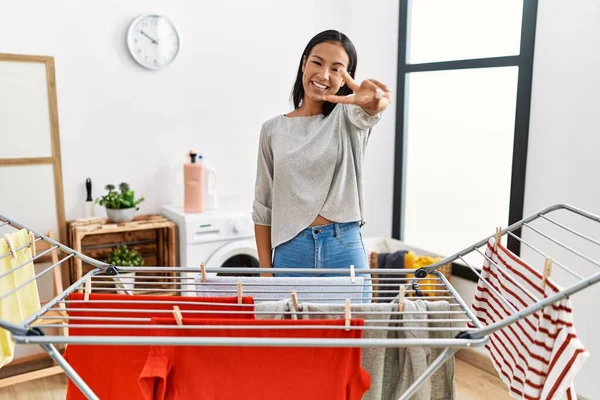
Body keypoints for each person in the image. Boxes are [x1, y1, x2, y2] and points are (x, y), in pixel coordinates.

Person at [252, 29, 391, 289]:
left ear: (346, 78)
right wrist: (265, 272)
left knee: (351, 329)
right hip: (290, 252)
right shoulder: (272, 130)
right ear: (304, 63)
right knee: (291, 330)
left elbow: (370, 112)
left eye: (337, 69)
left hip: (344, 249)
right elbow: (263, 206)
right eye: (317, 62)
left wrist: (375, 102)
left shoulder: (350, 117)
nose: (324, 75)